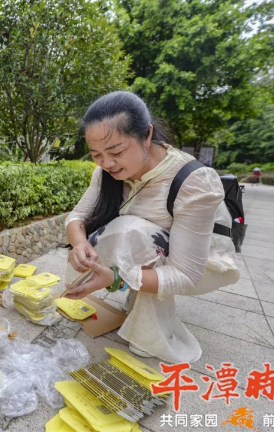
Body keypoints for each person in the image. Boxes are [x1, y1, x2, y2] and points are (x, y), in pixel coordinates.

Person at [62, 91, 240, 363]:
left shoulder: (195, 181)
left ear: (147, 137)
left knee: (130, 230)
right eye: (96, 154)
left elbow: (185, 274)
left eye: (117, 151)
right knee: (122, 233)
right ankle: (138, 290)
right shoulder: (106, 172)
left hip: (202, 264)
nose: (107, 163)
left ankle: (154, 329)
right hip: (153, 246)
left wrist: (118, 279)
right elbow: (77, 217)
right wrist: (79, 244)